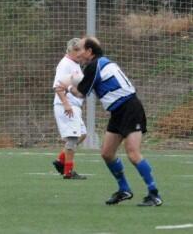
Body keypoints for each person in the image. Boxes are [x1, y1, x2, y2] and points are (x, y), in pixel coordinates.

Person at [56, 36, 162, 206]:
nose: (78, 52)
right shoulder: (100, 63)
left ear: (89, 52)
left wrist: (67, 87)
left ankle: (154, 194)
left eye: (80, 49)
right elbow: (86, 85)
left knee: (133, 153)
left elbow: (81, 93)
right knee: (107, 153)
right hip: (118, 111)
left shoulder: (94, 65)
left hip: (129, 108)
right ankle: (124, 189)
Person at [51, 38, 87, 179]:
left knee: (82, 134)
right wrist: (66, 103)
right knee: (72, 138)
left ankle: (61, 160)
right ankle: (68, 171)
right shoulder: (65, 64)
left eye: (81, 50)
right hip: (66, 106)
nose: (79, 53)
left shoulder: (75, 64)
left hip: (75, 105)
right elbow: (58, 86)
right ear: (69, 50)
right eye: (76, 50)